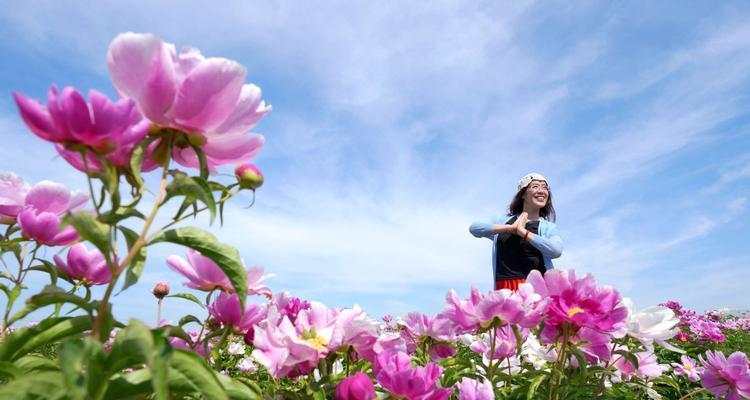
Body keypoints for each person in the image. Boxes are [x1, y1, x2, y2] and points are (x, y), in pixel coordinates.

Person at [469, 172, 563, 291]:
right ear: (523, 194)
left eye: (545, 188)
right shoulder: (503, 220)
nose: (541, 191)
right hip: (504, 287)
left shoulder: (548, 227)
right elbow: (474, 228)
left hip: (536, 289)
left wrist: (524, 233)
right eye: (535, 186)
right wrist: (510, 228)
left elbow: (556, 251)